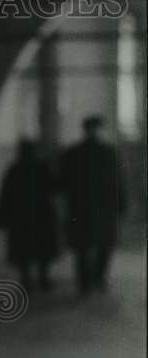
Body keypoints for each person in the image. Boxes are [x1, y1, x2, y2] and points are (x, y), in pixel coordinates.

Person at [59, 115, 126, 295]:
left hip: (85, 207)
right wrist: (121, 204)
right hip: (99, 208)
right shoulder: (107, 152)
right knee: (99, 245)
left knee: (90, 246)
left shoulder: (75, 153)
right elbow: (118, 181)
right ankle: (94, 280)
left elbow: (117, 180)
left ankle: (90, 281)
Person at [0, 138, 59, 292]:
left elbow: (5, 195)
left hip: (21, 218)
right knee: (42, 251)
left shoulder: (14, 169)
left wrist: (2, 217)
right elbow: (54, 187)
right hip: (41, 216)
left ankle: (27, 281)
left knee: (23, 253)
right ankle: (43, 280)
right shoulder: (41, 167)